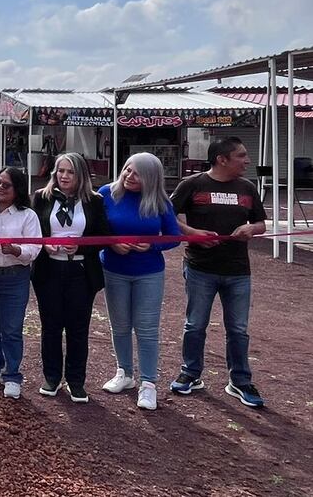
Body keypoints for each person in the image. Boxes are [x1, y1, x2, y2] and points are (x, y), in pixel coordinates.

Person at [169, 137, 266, 408]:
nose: (247, 160)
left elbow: (261, 223)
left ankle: (240, 380)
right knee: (195, 325)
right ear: (222, 159)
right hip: (200, 268)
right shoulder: (192, 185)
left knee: (238, 329)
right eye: (241, 155)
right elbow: (165, 216)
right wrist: (192, 234)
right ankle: (190, 373)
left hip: (238, 271)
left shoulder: (247, 188)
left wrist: (252, 229)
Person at [97, 153, 180, 411]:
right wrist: (112, 244)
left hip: (149, 272)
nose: (129, 177)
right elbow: (95, 229)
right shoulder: (105, 194)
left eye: (137, 173)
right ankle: (125, 373)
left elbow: (174, 236)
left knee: (146, 328)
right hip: (114, 268)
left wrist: (151, 246)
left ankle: (148, 383)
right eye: (127, 170)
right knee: (119, 325)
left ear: (151, 178)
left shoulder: (160, 202)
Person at [31, 152, 111, 404]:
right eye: (60, 171)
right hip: (49, 271)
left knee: (78, 329)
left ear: (81, 175)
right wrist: (44, 245)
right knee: (51, 327)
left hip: (80, 273)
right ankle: (52, 377)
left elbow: (102, 236)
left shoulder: (94, 201)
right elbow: (33, 231)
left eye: (70, 172)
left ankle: (76, 381)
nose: (63, 176)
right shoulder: (42, 198)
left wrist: (82, 247)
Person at [0, 166, 41, 400]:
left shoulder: (28, 215)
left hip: (15, 277)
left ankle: (12, 375)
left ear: (18, 189)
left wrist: (15, 249)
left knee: (11, 329)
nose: (0, 187)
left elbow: (35, 248)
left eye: (6, 184)